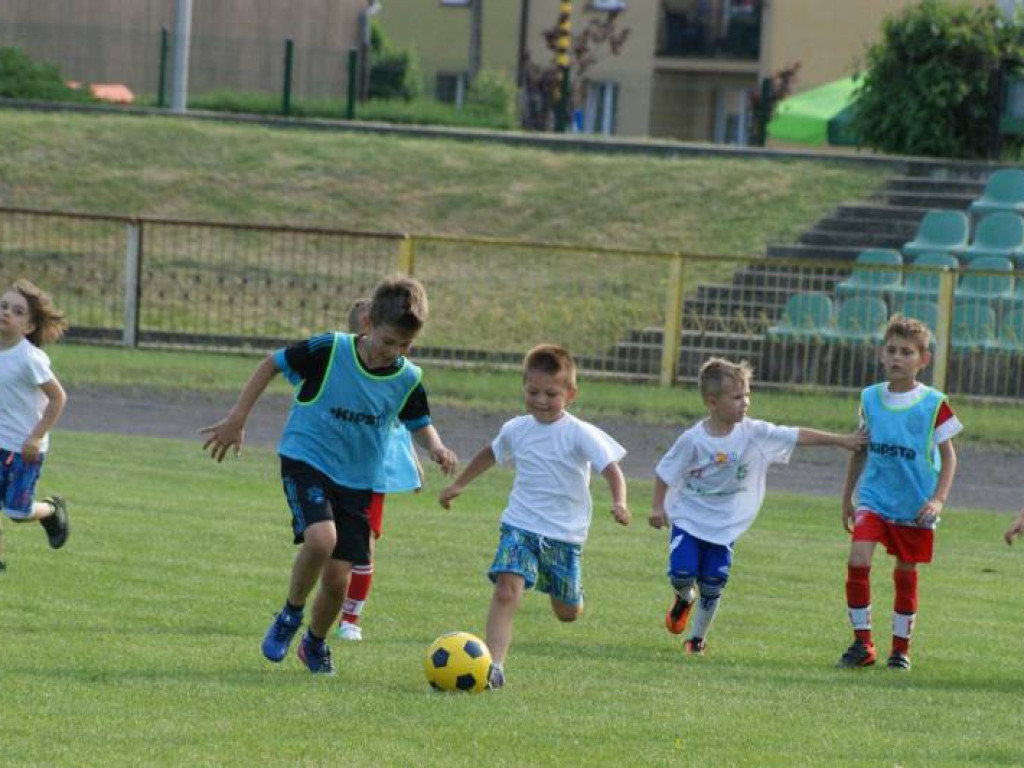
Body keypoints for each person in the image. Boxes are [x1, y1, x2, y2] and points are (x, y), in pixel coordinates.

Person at [202, 275, 457, 675]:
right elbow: (272, 363)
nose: (395, 353)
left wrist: (437, 447)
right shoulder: (330, 349)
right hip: (307, 458)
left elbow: (418, 420)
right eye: (389, 342)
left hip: (358, 479)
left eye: (405, 346)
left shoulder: (407, 377)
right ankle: (289, 615)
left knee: (338, 579)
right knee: (322, 539)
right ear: (368, 322)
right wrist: (237, 419)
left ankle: (315, 645)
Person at [439, 344, 630, 690]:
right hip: (520, 526)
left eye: (551, 393)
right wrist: (459, 484)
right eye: (533, 392)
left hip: (563, 536)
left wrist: (620, 502)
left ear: (570, 394)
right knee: (506, 591)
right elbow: (491, 453)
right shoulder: (517, 429)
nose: (541, 400)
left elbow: (612, 471)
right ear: (523, 387)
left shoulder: (579, 433)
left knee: (567, 613)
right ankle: (494, 667)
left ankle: (574, 595)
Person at [649, 357, 864, 656]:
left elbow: (796, 435)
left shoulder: (753, 433)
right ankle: (684, 598)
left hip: (725, 524)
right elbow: (664, 472)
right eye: (737, 397)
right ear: (712, 401)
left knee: (714, 581)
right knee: (682, 573)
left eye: (748, 394)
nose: (746, 402)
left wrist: (842, 440)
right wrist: (658, 508)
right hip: (688, 517)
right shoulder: (693, 440)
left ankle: (696, 639)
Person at [838, 315, 962, 671]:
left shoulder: (934, 403)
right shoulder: (870, 398)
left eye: (906, 352)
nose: (897, 357)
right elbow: (860, 449)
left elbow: (949, 456)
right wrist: (848, 497)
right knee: (858, 558)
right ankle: (863, 644)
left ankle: (900, 650)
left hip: (915, 503)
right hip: (874, 498)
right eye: (891, 350)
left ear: (923, 359)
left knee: (905, 573)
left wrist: (938, 499)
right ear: (881, 354)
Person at [336, 298, 425, 641]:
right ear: (365, 328)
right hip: (335, 469)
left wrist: (415, 459)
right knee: (328, 545)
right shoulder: (344, 370)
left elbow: (405, 421)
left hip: (373, 475)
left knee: (365, 544)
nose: (390, 350)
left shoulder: (399, 375)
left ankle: (350, 620)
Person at [0, 279, 71, 568]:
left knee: (17, 512)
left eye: (17, 311)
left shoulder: (30, 360)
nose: (6, 313)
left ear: (29, 327)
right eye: (3, 306)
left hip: (23, 446)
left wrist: (35, 437)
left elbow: (58, 399)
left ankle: (52, 511)